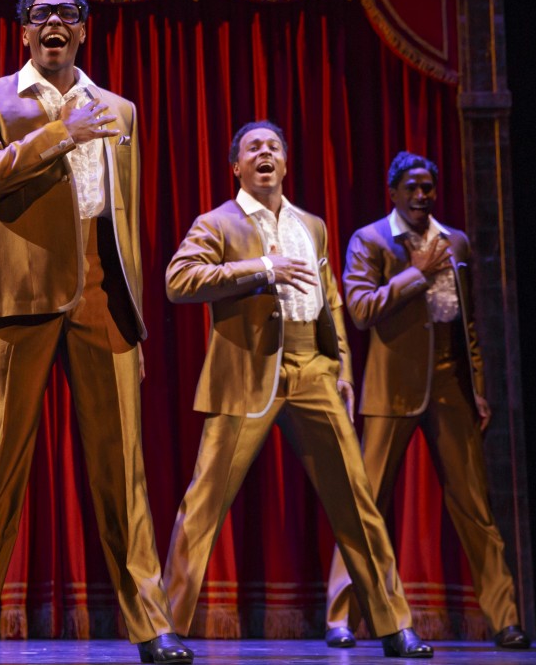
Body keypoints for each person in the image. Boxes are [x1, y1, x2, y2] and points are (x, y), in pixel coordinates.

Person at [0, 0, 191, 665]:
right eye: (39, 15)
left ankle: (151, 625)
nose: (53, 24)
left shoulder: (120, 108)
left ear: (83, 27)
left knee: (121, 469)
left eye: (65, 14)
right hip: (21, 298)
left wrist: (129, 300)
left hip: (104, 296)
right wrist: (57, 133)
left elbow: (124, 211)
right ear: (22, 30)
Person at [162, 121, 433, 658]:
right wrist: (262, 268)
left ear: (285, 162)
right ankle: (165, 626)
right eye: (252, 149)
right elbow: (179, 280)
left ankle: (393, 624)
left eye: (274, 147)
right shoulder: (216, 223)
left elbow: (331, 297)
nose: (265, 154)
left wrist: (343, 367)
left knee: (357, 502)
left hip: (312, 367)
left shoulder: (312, 225)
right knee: (205, 503)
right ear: (236, 166)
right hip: (247, 371)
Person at [323, 151, 530, 650]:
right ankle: (340, 618)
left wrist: (476, 387)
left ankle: (505, 619)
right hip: (391, 388)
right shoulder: (370, 240)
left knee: (476, 509)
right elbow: (360, 309)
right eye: (411, 188)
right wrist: (414, 272)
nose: (421, 197)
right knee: (365, 504)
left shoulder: (454, 240)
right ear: (393, 191)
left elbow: (468, 325)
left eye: (428, 188)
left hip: (450, 388)